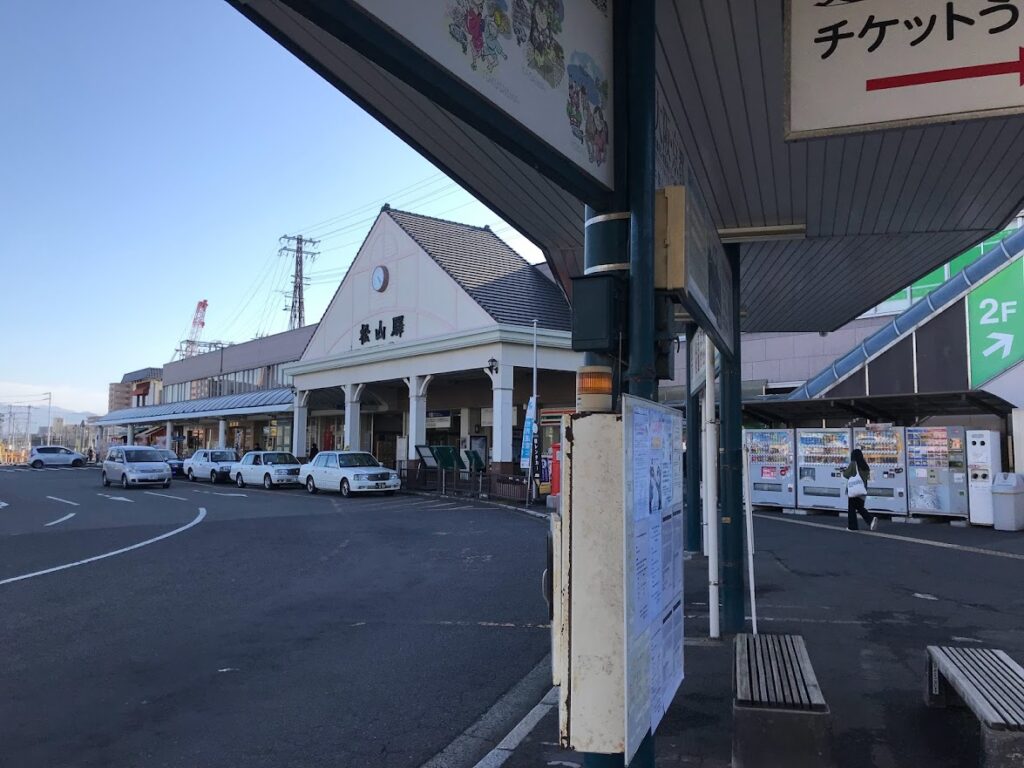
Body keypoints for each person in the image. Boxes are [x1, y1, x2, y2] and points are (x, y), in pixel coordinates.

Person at [843, 448, 877, 531]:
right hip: (862, 490)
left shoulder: (853, 464)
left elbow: (846, 474)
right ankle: (870, 520)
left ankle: (854, 526)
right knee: (859, 507)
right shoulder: (865, 465)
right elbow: (868, 477)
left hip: (854, 490)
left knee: (852, 508)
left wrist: (845, 470)